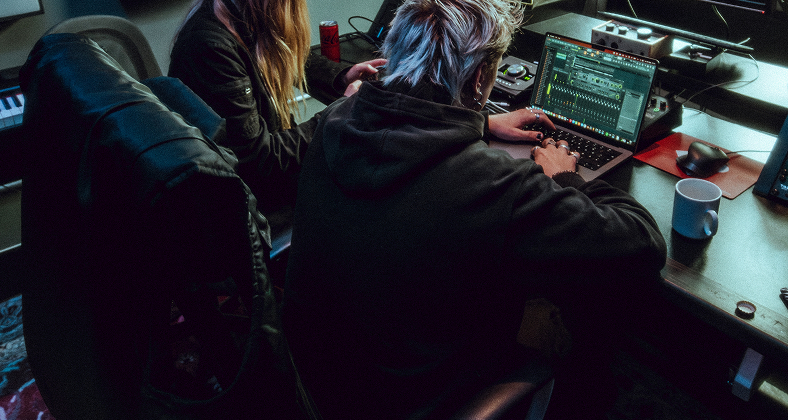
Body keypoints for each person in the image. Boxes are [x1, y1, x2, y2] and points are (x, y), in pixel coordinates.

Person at [282, 0, 667, 417]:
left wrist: (482, 123)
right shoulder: (494, 183)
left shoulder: (336, 121)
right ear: (482, 75)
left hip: (318, 382)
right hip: (416, 399)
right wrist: (563, 178)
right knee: (578, 316)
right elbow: (641, 245)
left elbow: (409, 126)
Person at [168, 0, 387, 213]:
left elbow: (284, 56)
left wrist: (341, 78)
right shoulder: (211, 48)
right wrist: (338, 113)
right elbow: (261, 159)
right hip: (253, 199)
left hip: (267, 175)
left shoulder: (239, 15)